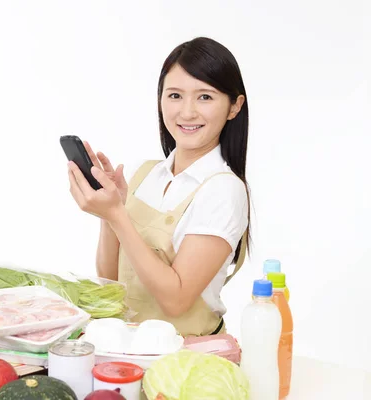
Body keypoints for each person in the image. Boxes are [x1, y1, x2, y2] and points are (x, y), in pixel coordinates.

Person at [67, 37, 250, 336]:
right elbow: (111, 280)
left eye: (205, 97)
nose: (187, 112)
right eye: (175, 95)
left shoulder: (223, 190)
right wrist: (109, 212)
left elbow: (176, 301)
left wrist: (117, 216)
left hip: (185, 359)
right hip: (129, 349)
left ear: (234, 106)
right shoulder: (146, 173)